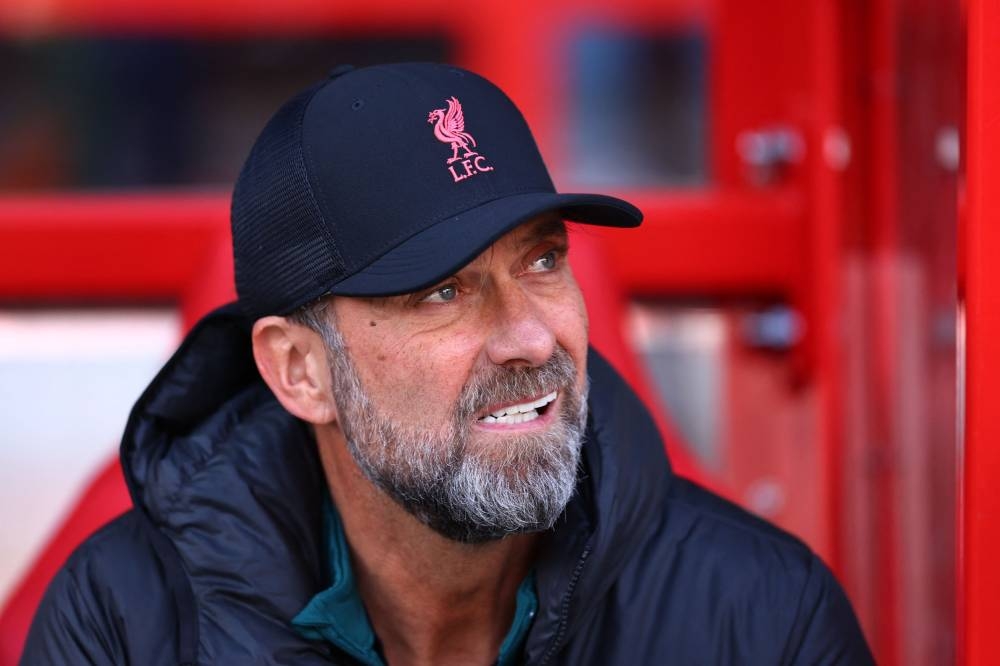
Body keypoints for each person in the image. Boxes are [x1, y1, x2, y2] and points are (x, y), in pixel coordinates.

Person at [20, 62, 873, 665]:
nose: (533, 339)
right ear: (299, 371)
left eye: (542, 263)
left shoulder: (763, 618)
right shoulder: (122, 623)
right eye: (442, 293)